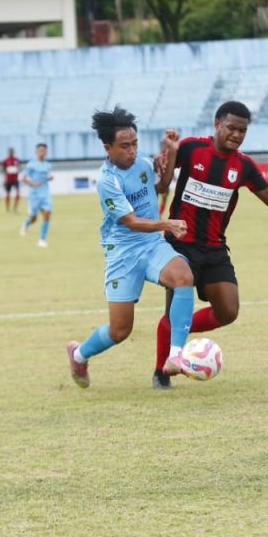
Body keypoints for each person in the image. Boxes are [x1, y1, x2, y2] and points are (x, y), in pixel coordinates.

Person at [151, 101, 268, 390]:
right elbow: (162, 186)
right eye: (231, 128)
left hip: (215, 249)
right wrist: (168, 155)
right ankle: (161, 372)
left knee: (228, 310)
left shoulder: (243, 166)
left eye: (243, 130)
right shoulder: (190, 148)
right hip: (180, 247)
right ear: (217, 124)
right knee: (174, 311)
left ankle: (181, 329)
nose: (237, 135)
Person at [65, 107, 194, 389]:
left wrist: (171, 153)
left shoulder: (143, 163)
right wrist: (166, 225)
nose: (132, 151)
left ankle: (175, 356)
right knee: (120, 330)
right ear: (107, 147)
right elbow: (132, 221)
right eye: (125, 146)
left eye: (135, 143)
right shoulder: (107, 180)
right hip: (123, 253)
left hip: (151, 245)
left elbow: (161, 186)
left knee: (183, 277)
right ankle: (78, 354)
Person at [19, 142, 54, 247]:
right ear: (36, 152)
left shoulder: (48, 165)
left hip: (45, 193)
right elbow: (24, 178)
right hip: (34, 194)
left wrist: (49, 178)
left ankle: (42, 239)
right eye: (40, 150)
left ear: (46, 152)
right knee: (34, 218)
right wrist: (32, 183)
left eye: (44, 150)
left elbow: (46, 177)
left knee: (47, 214)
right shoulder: (31, 165)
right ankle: (26, 224)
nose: (42, 152)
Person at [0, 147, 22, 212]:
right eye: (10, 152)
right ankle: (8, 208)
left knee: (18, 193)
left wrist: (16, 169)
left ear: (13, 153)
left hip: (15, 179)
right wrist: (7, 171)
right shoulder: (6, 160)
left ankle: (15, 207)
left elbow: (19, 167)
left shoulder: (16, 160)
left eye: (12, 152)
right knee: (7, 194)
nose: (11, 153)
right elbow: (2, 169)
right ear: (8, 153)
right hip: (8, 180)